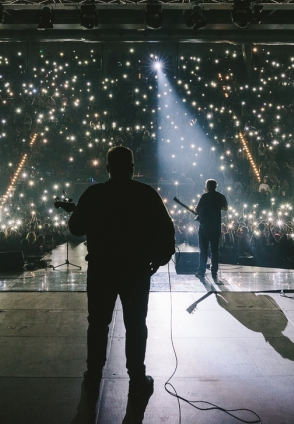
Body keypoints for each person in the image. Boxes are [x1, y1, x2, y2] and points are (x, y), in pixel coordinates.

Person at [68, 146, 175, 404]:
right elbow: (166, 232)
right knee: (136, 325)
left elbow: (76, 228)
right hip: (136, 270)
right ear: (132, 168)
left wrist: (79, 211)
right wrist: (158, 259)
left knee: (98, 325)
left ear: (107, 168)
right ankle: (137, 380)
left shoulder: (94, 193)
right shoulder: (146, 193)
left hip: (102, 269)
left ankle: (93, 376)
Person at [194, 179, 228, 283]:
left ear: (207, 186)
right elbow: (226, 208)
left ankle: (201, 271)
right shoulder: (220, 196)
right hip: (215, 227)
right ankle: (214, 271)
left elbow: (197, 209)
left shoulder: (205, 196)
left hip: (205, 227)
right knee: (214, 250)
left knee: (203, 251)